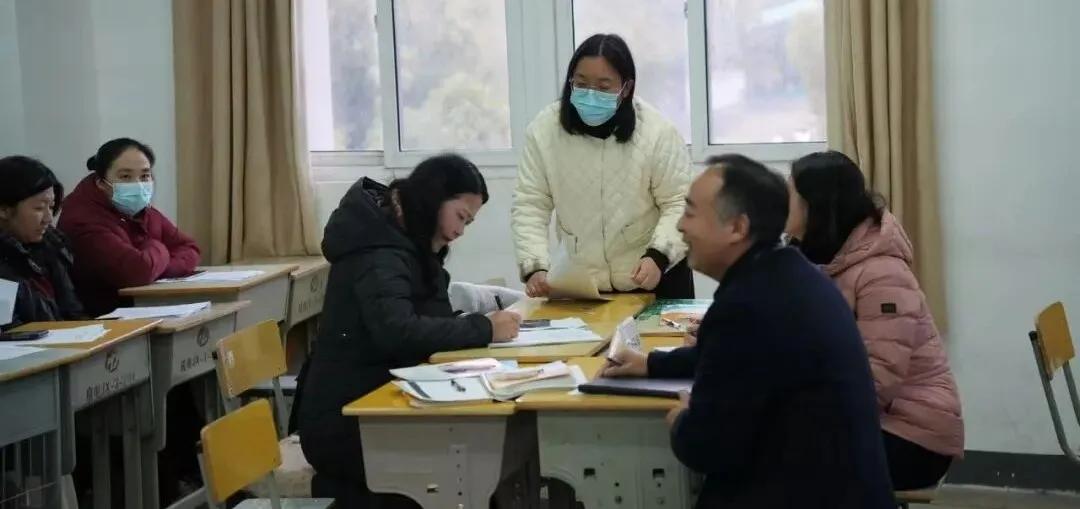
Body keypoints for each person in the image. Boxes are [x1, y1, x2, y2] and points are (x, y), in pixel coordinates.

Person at [604, 154, 895, 508]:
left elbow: (705, 447)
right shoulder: (788, 275)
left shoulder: (747, 305)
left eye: (691, 213)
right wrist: (651, 364)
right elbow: (727, 358)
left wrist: (682, 420)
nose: (680, 226)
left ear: (737, 227)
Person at [296, 154, 522, 507]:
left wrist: (472, 326)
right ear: (434, 199)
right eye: (461, 216)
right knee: (469, 467)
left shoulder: (410, 240)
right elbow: (397, 331)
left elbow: (431, 317)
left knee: (481, 461)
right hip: (344, 422)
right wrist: (482, 328)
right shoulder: (377, 250)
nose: (460, 231)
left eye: (468, 222)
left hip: (385, 400)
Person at [785, 150, 964, 490]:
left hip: (910, 435)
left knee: (771, 453)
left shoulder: (882, 273)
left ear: (816, 206)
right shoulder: (816, 256)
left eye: (790, 192)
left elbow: (875, 381)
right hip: (866, 417)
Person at [512, 33, 693, 299]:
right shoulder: (544, 131)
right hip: (584, 283)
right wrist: (534, 266)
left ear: (626, 88)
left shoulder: (657, 133)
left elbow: (680, 202)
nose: (590, 95)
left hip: (655, 275)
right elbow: (530, 203)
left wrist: (659, 256)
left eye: (603, 87)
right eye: (581, 84)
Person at [58, 138, 200, 317]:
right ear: (101, 183)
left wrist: (156, 268)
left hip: (145, 309)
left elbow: (190, 248)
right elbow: (137, 271)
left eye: (145, 176)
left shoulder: (143, 211)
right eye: (125, 177)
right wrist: (157, 247)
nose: (138, 185)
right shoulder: (81, 218)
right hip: (103, 319)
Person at [0, 156, 84, 328]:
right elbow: (9, 332)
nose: (48, 218)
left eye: (51, 207)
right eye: (39, 208)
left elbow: (73, 311)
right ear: (4, 209)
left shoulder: (52, 246)